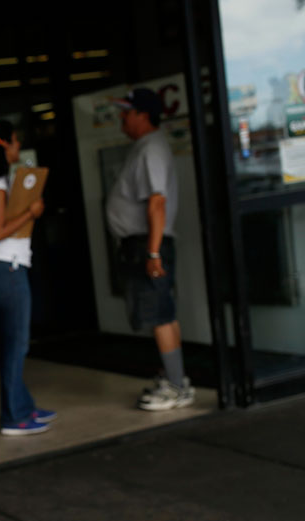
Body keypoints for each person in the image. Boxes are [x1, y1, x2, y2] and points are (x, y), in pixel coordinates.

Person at [0, 119, 55, 436]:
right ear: (3, 144)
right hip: (8, 270)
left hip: (2, 270)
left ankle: (23, 406)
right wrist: (31, 213)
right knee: (16, 345)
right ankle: (14, 417)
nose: (18, 147)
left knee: (12, 344)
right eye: (15, 141)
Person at [107, 87, 194, 411]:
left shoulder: (150, 150)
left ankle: (175, 386)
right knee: (163, 314)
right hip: (147, 242)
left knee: (160, 316)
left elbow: (157, 202)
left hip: (148, 243)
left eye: (127, 113)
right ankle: (175, 378)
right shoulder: (145, 147)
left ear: (143, 115)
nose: (122, 118)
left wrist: (153, 252)